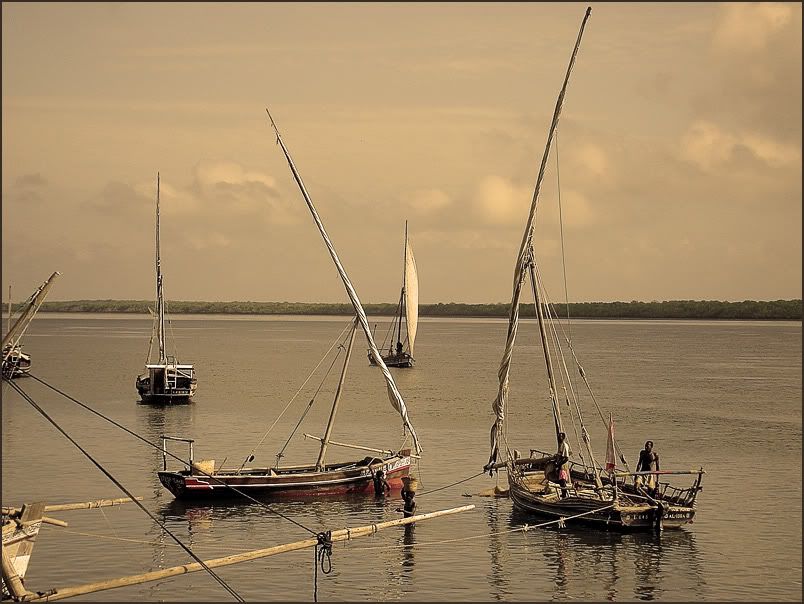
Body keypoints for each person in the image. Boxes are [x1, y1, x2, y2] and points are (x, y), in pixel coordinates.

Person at [555, 432, 571, 498]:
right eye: (559, 437)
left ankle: (564, 495)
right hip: (561, 465)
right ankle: (563, 493)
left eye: (561, 437)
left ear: (563, 438)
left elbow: (566, 458)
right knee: (561, 480)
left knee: (563, 480)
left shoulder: (565, 445)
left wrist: (558, 464)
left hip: (563, 466)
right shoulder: (561, 445)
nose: (559, 438)